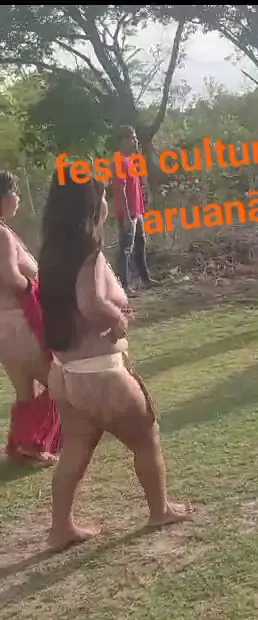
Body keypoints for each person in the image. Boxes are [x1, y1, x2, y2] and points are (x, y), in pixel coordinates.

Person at [38, 169, 193, 551]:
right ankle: (160, 510)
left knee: (76, 450)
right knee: (146, 437)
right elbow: (90, 302)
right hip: (100, 374)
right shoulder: (86, 251)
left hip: (67, 373)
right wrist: (117, 319)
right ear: (92, 204)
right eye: (104, 195)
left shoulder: (51, 249)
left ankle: (61, 528)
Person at [0, 170, 61, 464]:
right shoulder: (1, 234)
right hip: (18, 321)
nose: (19, 198)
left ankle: (24, 445)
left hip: (6, 324)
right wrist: (34, 286)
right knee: (58, 380)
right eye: (15, 192)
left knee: (26, 389)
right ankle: (34, 443)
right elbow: (10, 277)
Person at [113, 125, 158, 298]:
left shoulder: (131, 160)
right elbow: (120, 190)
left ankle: (145, 279)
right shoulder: (119, 161)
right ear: (123, 140)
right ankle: (123, 286)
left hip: (137, 211)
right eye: (132, 138)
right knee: (126, 249)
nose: (135, 141)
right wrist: (126, 214)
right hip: (128, 213)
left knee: (140, 244)